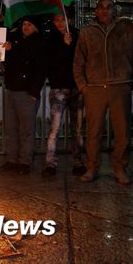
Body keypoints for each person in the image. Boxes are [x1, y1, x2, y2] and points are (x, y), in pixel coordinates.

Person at [74, 0, 133, 185]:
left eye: (109, 6)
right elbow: (78, 62)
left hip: (120, 87)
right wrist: (83, 86)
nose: (104, 10)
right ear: (96, 11)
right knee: (93, 133)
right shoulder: (87, 32)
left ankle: (120, 168)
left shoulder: (125, 27)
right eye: (101, 7)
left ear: (114, 10)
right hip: (95, 89)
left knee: (123, 133)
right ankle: (92, 167)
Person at [0, 16, 48, 175]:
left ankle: (25, 162)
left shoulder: (40, 43)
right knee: (11, 128)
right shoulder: (15, 38)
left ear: (36, 28)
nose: (26, 27)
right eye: (24, 24)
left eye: (30, 24)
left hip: (27, 92)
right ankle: (12, 160)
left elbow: (40, 69)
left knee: (26, 129)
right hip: (12, 89)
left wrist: (34, 92)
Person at [42, 12, 86, 178]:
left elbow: (83, 60)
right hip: (58, 88)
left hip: (76, 87)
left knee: (78, 128)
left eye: (63, 20)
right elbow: (48, 62)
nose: (60, 23)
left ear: (70, 20)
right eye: (57, 20)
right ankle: (50, 163)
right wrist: (63, 45)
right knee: (54, 128)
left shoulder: (78, 35)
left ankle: (78, 162)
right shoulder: (50, 39)